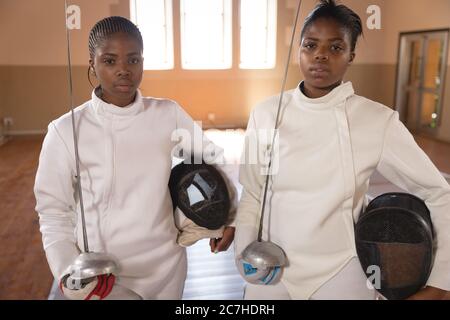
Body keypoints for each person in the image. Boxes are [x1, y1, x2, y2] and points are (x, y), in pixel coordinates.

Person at [235, 0, 450, 300]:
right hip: (271, 266)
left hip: (341, 270)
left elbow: (440, 193)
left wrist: (441, 281)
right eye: (311, 45)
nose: (320, 54)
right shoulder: (266, 112)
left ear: (351, 56)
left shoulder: (376, 120)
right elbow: (253, 193)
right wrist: (244, 252)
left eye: (335, 48)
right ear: (299, 49)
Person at [34, 16, 236, 300]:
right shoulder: (65, 130)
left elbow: (216, 159)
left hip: (167, 267)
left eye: (133, 60)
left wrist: (227, 216)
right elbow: (52, 211)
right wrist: (69, 271)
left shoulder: (167, 114)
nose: (123, 71)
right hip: (103, 276)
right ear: (92, 64)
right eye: (109, 61)